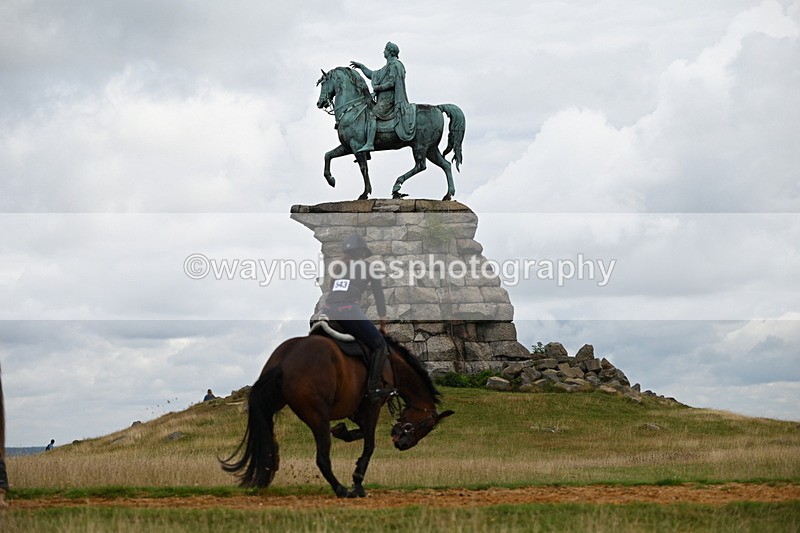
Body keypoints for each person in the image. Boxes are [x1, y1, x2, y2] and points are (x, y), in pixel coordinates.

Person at [322, 233, 392, 403]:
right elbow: (379, 296)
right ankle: (373, 388)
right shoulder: (369, 267)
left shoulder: (338, 267)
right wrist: (382, 323)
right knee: (380, 346)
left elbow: (333, 292)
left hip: (328, 311)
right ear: (363, 252)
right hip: (348, 311)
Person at [350, 41, 413, 152]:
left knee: (372, 115)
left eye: (385, 50)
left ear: (390, 52)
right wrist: (361, 67)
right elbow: (372, 75)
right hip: (383, 99)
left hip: (389, 99)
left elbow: (392, 82)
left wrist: (379, 88)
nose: (383, 52)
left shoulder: (394, 65)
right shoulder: (388, 66)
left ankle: (370, 143)